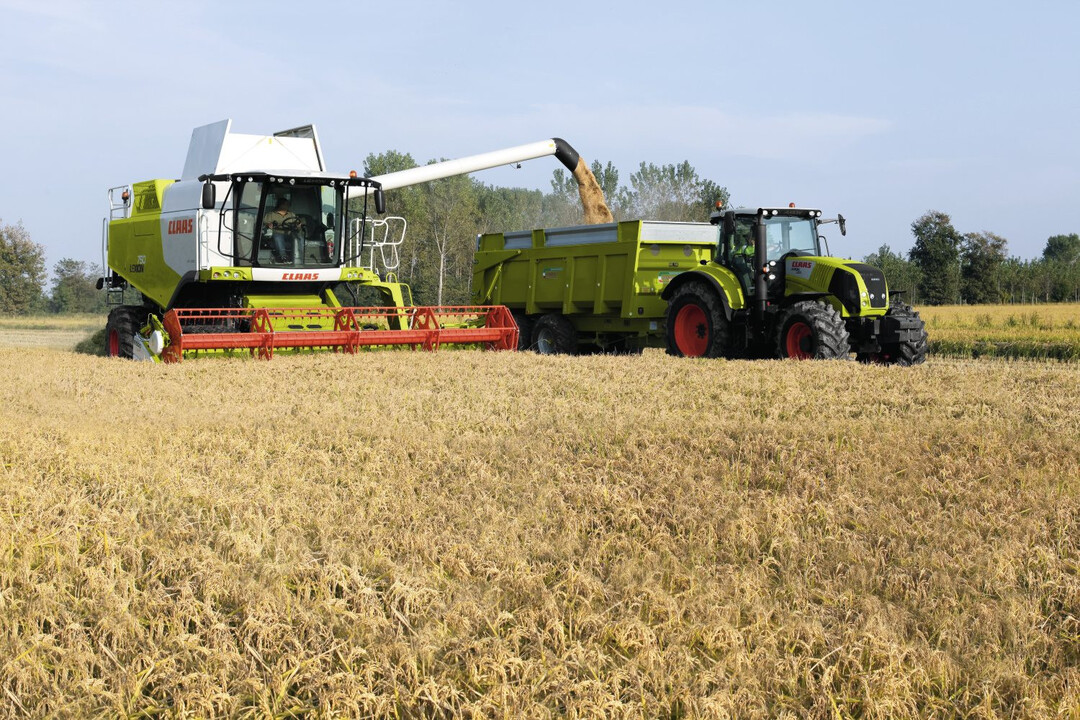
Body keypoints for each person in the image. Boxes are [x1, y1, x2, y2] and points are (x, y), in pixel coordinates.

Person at [263, 197, 302, 262]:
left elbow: (297, 223)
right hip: (277, 232)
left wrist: (298, 226)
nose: (288, 206)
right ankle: (283, 257)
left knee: (299, 238)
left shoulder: (291, 214)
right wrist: (269, 225)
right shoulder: (271, 214)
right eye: (286, 204)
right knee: (278, 237)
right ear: (280, 205)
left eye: (288, 204)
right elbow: (265, 223)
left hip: (289, 233)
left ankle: (300, 257)